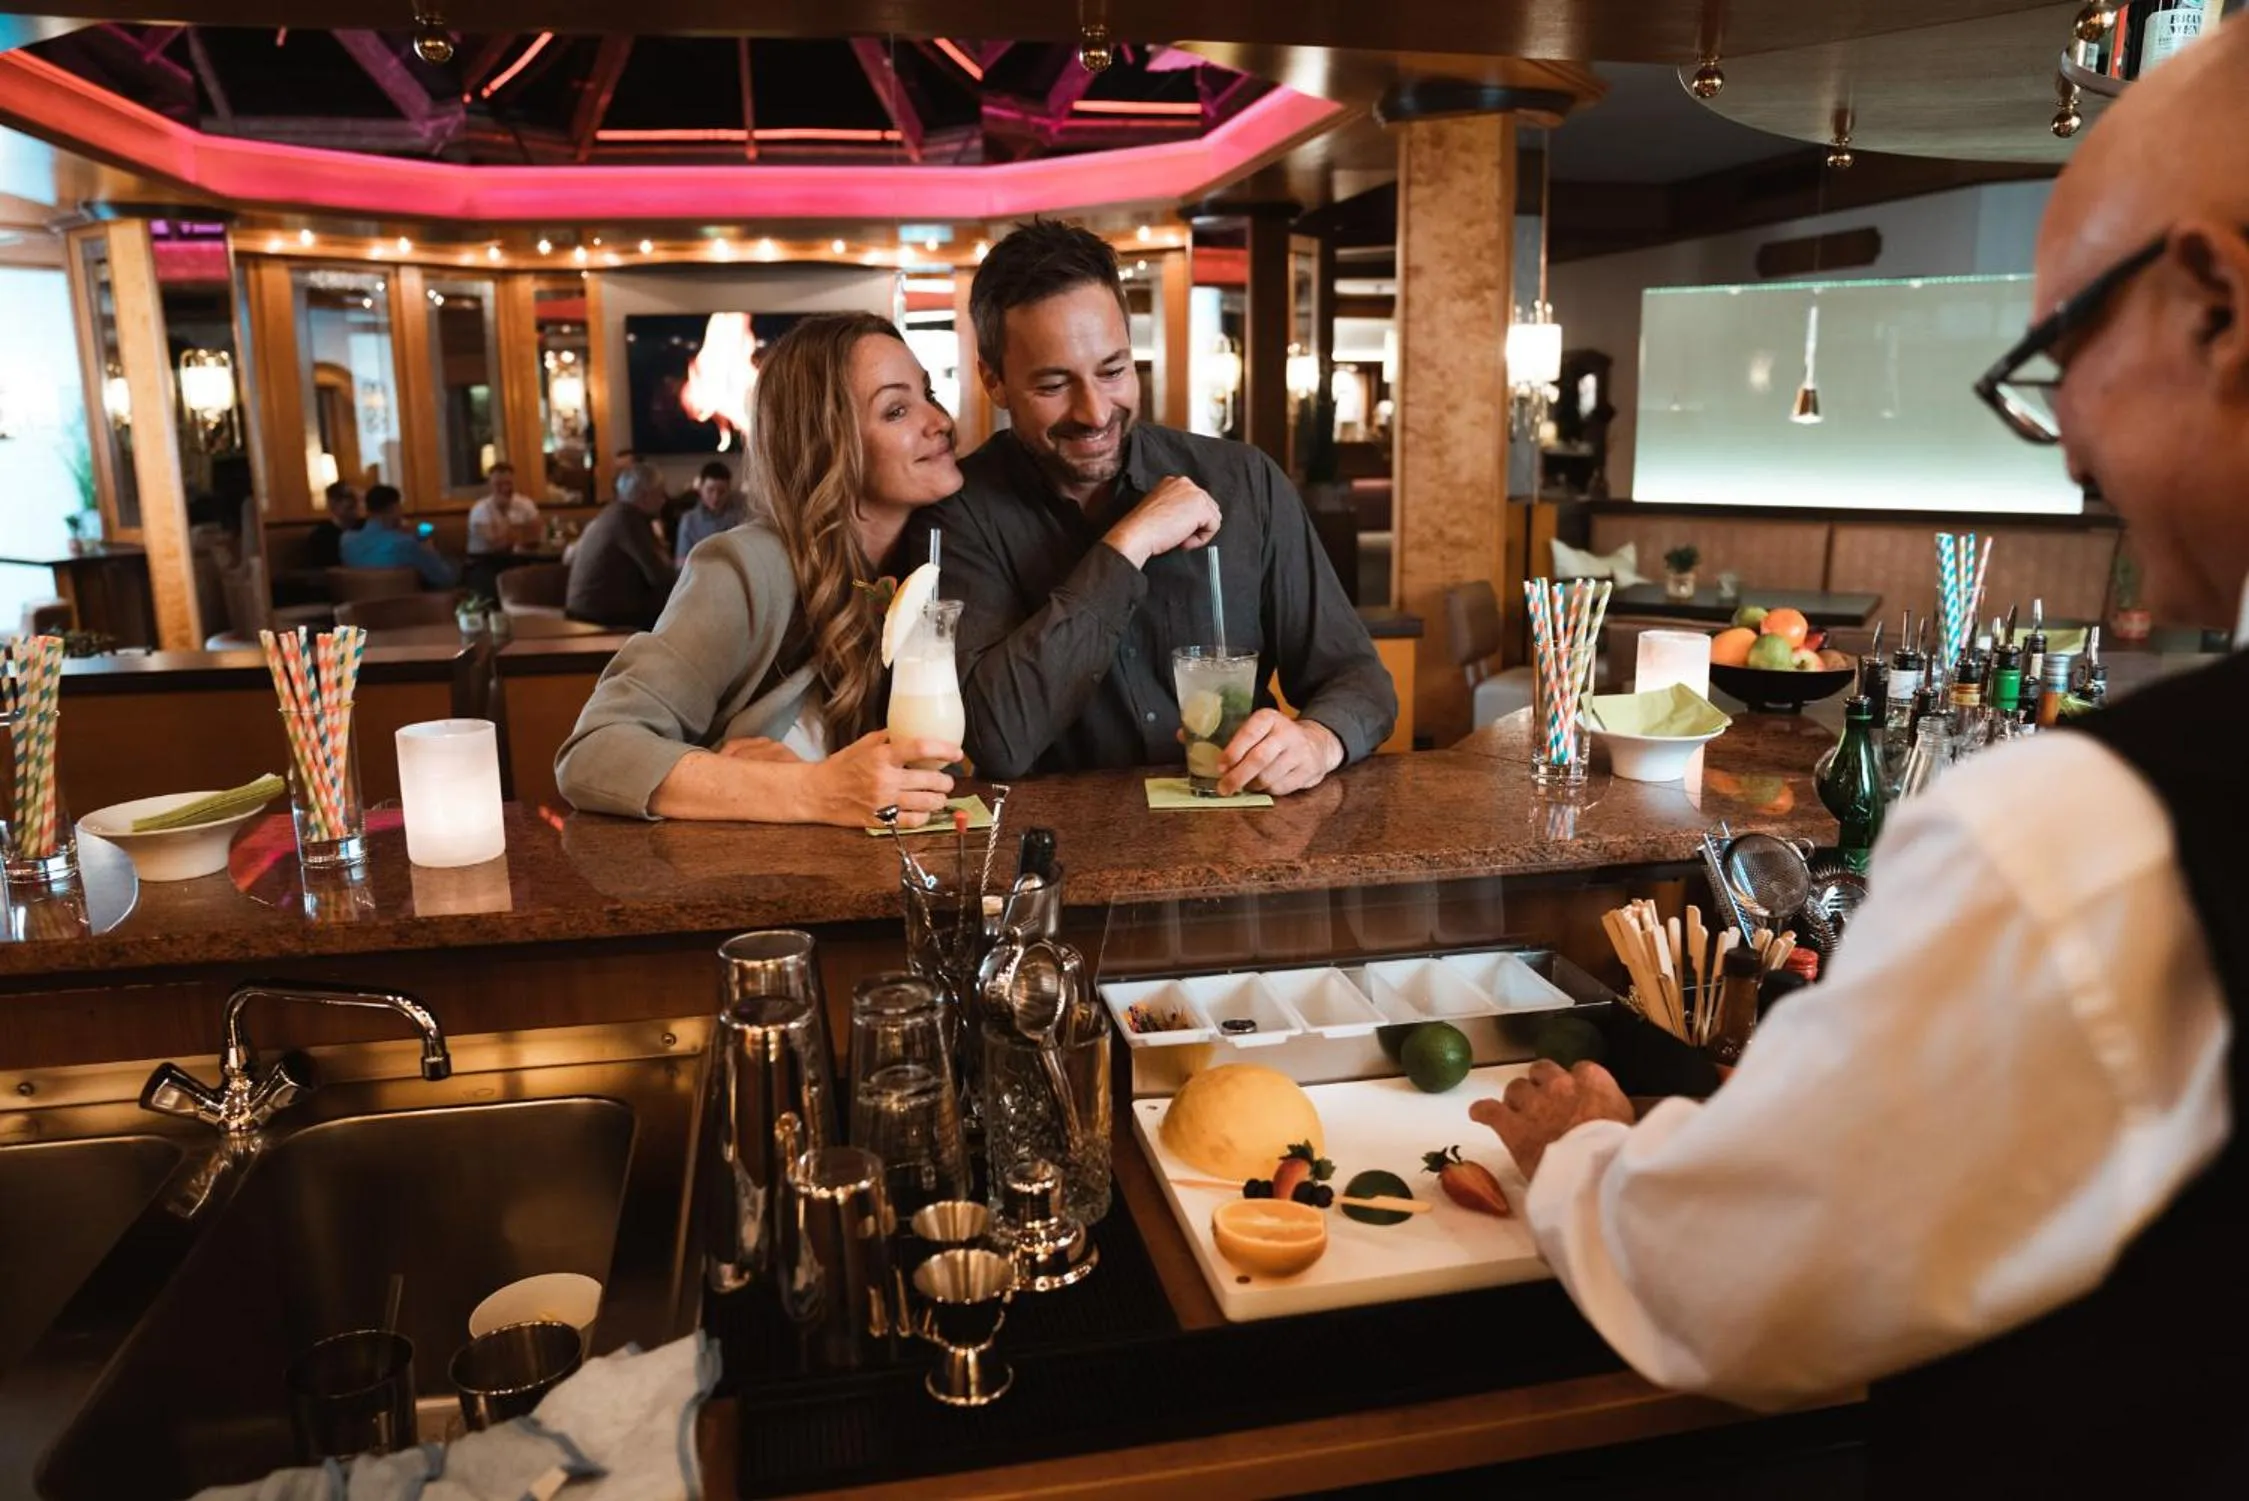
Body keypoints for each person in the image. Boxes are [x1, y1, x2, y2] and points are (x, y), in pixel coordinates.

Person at [1472, 22, 2249, 1496]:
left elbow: (1742, 1281)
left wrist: (1584, 1153)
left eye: (2061, 352)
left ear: (2213, 302)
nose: (2065, 445)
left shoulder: (2093, 834)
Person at [931, 221, 1395, 792]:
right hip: (1070, 863)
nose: (1096, 412)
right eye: (1054, 385)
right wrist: (1128, 545)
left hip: (1246, 844)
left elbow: (1359, 679)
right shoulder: (960, 515)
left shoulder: (1242, 480)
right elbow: (998, 739)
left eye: (1113, 370)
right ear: (993, 381)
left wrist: (1318, 741)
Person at [556, 313, 963, 825]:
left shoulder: (946, 563)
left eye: (928, 394)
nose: (940, 420)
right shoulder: (750, 568)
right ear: (827, 442)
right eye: (897, 410)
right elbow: (595, 751)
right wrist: (806, 790)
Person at [565, 462, 678, 631]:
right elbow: (659, 576)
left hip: (587, 612)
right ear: (645, 496)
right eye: (660, 494)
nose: (664, 500)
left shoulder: (614, 513)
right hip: (601, 618)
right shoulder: (628, 520)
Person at [339, 485, 457, 589]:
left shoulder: (346, 541)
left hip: (359, 611)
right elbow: (445, 579)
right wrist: (429, 550)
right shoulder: (406, 544)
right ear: (394, 508)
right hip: (407, 610)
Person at [675, 460, 748, 557]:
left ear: (729, 490)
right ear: (700, 488)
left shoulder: (740, 517)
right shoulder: (689, 521)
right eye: (710, 490)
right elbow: (681, 561)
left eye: (722, 492)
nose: (715, 497)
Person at [467, 462, 540, 554]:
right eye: (499, 484)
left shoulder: (525, 503)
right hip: (485, 562)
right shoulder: (480, 509)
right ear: (490, 486)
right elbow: (497, 544)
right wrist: (504, 511)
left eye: (509, 483)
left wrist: (506, 532)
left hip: (521, 559)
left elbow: (536, 535)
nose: (505, 488)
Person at [304, 481, 362, 569]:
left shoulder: (363, 527)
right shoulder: (321, 536)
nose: (355, 511)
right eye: (350, 507)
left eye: (356, 505)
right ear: (333, 505)